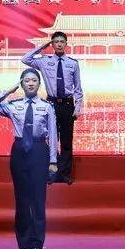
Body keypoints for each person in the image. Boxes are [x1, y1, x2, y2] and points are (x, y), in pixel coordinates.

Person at [0, 68, 58, 249]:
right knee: (22, 198)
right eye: (27, 81)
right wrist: (9, 91)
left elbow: (52, 134)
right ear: (22, 84)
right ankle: (24, 243)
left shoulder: (47, 106)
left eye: (34, 80)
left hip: (39, 150)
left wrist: (53, 161)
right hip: (19, 151)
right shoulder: (13, 105)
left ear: (39, 84)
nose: (31, 83)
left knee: (38, 199)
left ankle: (37, 243)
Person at [21, 31, 82, 184]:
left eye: (62, 41)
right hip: (51, 105)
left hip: (67, 105)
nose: (59, 44)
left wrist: (77, 108)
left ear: (66, 44)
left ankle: (65, 174)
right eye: (56, 42)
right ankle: (51, 174)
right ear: (52, 44)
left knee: (66, 141)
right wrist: (42, 47)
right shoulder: (44, 61)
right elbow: (25, 59)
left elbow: (78, 89)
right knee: (51, 140)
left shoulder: (73, 63)